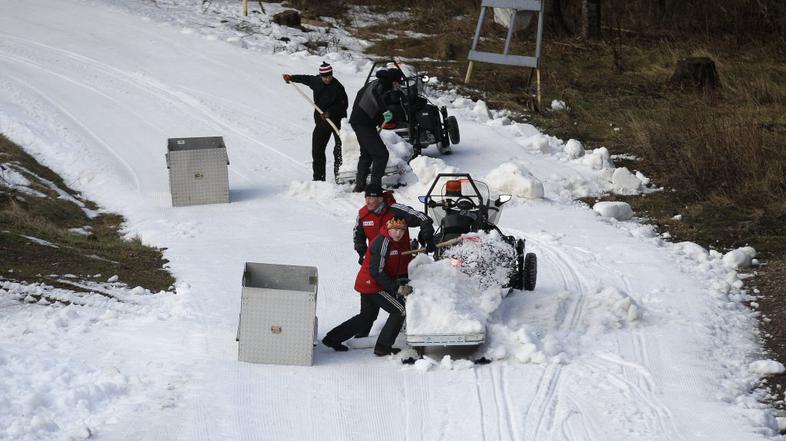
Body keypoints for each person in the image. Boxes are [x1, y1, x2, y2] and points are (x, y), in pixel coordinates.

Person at [351, 182, 435, 338]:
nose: (369, 201)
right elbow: (358, 235)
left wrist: (428, 237)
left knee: (403, 304)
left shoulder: (396, 210)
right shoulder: (363, 215)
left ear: (381, 198)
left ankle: (407, 332)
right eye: (367, 198)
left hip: (400, 267)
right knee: (371, 305)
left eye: (373, 198)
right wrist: (362, 252)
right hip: (377, 268)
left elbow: (423, 219)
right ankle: (362, 337)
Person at [322, 217, 414, 356]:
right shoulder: (383, 242)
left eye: (401, 230)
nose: (398, 233)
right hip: (373, 285)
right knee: (400, 310)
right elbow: (376, 272)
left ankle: (332, 339)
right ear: (389, 229)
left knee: (367, 316)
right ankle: (383, 347)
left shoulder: (393, 241)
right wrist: (396, 288)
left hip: (368, 283)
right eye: (395, 229)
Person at [283, 62, 348, 181]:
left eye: (329, 76)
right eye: (325, 77)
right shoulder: (316, 81)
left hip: (337, 121)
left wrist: (329, 112)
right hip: (322, 121)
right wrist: (292, 78)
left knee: (340, 149)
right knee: (317, 150)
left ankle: (341, 177)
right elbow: (306, 79)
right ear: (321, 76)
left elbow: (343, 104)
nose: (327, 79)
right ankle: (319, 179)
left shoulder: (338, 87)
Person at [348, 68, 405, 192]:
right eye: (398, 83)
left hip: (362, 122)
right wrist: (384, 111)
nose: (398, 86)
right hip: (362, 123)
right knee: (381, 154)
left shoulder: (377, 82)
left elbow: (366, 97)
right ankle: (375, 187)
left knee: (367, 154)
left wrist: (379, 118)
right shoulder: (380, 84)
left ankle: (360, 186)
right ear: (393, 80)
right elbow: (375, 95)